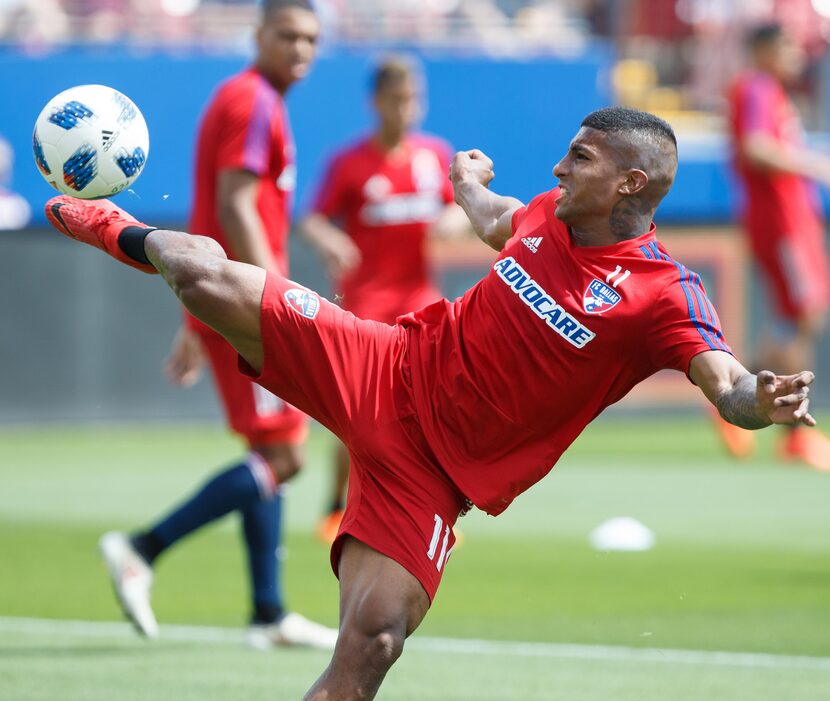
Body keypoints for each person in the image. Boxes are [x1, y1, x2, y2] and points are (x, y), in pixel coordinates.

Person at [44, 107, 816, 700]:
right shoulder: (548, 213)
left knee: (371, 644)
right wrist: (466, 181)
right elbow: (492, 219)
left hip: (435, 479)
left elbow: (728, 385)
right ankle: (115, 224)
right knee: (198, 271)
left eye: (579, 157)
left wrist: (763, 399)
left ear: (630, 183)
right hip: (381, 365)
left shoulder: (664, 293)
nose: (558, 166)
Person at [97, 0, 337, 649]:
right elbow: (233, 206)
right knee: (285, 457)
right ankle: (142, 547)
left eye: (311, 39)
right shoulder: (252, 100)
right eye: (287, 34)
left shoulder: (252, 99)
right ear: (257, 35)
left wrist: (196, 315)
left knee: (271, 453)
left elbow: (210, 208)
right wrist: (276, 301)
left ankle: (268, 612)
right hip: (252, 308)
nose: (300, 49)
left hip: (230, 304)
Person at [300, 56, 469, 542]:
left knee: (434, 408)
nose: (407, 109)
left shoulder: (434, 155)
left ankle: (433, 511)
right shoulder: (349, 162)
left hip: (420, 301)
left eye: (414, 98)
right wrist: (330, 239)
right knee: (359, 414)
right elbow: (313, 218)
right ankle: (336, 508)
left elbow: (457, 208)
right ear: (375, 102)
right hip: (366, 304)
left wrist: (454, 221)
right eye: (397, 99)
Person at [727, 23, 830, 471]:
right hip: (781, 219)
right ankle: (790, 434)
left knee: (795, 318)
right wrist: (813, 163)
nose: (796, 53)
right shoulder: (756, 87)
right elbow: (755, 147)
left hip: (794, 218)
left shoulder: (770, 91)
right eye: (788, 45)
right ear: (764, 48)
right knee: (802, 315)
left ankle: (733, 397)